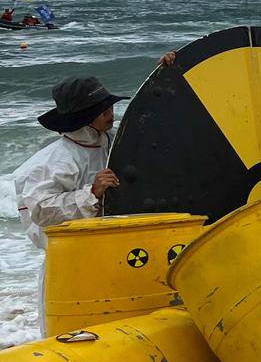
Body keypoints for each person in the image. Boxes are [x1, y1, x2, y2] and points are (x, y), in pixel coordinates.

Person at [14, 55, 176, 326]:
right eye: (102, 111)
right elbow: (40, 211)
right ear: (83, 117)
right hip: (75, 263)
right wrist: (91, 194)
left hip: (119, 253)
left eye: (109, 107)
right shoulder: (54, 162)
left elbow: (151, 130)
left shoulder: (115, 142)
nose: (110, 114)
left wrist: (167, 72)